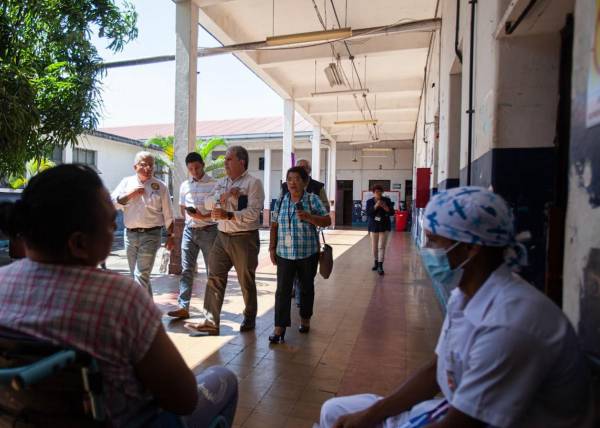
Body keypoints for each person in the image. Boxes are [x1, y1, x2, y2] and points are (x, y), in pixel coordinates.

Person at [319, 186, 593, 428]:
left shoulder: (509, 324)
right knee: (334, 411)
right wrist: (369, 415)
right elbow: (436, 372)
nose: (426, 248)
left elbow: (463, 423)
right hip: (455, 408)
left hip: (483, 420)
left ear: (471, 248)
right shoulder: (465, 295)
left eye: (435, 241)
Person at [0, 164, 238, 427]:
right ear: (79, 243)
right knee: (223, 379)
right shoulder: (120, 297)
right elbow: (182, 398)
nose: (116, 218)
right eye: (108, 211)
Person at [187, 146, 265, 335]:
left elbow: (254, 214)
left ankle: (249, 315)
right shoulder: (221, 182)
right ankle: (210, 321)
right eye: (225, 160)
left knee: (245, 280)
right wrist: (225, 196)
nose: (225, 163)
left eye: (229, 159)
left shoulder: (253, 183)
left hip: (244, 238)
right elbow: (207, 204)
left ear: (242, 162)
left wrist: (229, 214)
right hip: (222, 237)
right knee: (214, 277)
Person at [268, 166, 331, 343]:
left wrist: (309, 217)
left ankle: (305, 319)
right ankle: (279, 328)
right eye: (289, 179)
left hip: (307, 253)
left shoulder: (313, 199)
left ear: (304, 182)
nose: (292, 183)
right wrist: (272, 248)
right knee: (282, 291)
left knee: (306, 288)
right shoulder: (281, 201)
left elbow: (327, 220)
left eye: (296, 179)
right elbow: (274, 225)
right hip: (284, 254)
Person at [111, 151, 174, 296]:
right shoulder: (126, 182)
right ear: (135, 167)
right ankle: (150, 313)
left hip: (151, 235)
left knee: (141, 275)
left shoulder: (160, 186)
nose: (148, 168)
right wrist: (130, 194)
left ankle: (137, 314)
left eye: (151, 165)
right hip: (130, 235)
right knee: (138, 276)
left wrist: (171, 236)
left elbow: (169, 214)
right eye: (144, 165)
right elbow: (113, 203)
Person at [167, 152, 218, 320]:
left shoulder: (214, 184)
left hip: (209, 231)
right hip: (189, 231)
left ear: (203, 165)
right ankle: (183, 307)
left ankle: (211, 311)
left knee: (212, 271)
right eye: (190, 169)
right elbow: (182, 207)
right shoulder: (184, 185)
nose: (194, 171)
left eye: (197, 167)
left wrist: (202, 217)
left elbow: (217, 213)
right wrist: (190, 218)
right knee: (186, 270)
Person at [280, 159, 330, 307]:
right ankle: (296, 288)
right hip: (288, 240)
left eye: (303, 169)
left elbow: (326, 209)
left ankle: (302, 297)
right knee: (291, 273)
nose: (293, 181)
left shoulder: (317, 188)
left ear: (307, 172)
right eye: (291, 178)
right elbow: (277, 216)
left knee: (306, 276)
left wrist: (312, 214)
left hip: (308, 236)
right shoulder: (285, 188)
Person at [365, 184, 394, 275]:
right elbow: (368, 213)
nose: (378, 193)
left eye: (379, 191)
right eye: (376, 192)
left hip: (384, 226)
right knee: (374, 247)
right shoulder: (369, 201)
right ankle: (376, 262)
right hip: (373, 226)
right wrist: (376, 206)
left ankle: (381, 266)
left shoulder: (387, 200)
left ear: (382, 192)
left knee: (381, 246)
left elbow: (392, 213)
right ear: (373, 193)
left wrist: (385, 207)